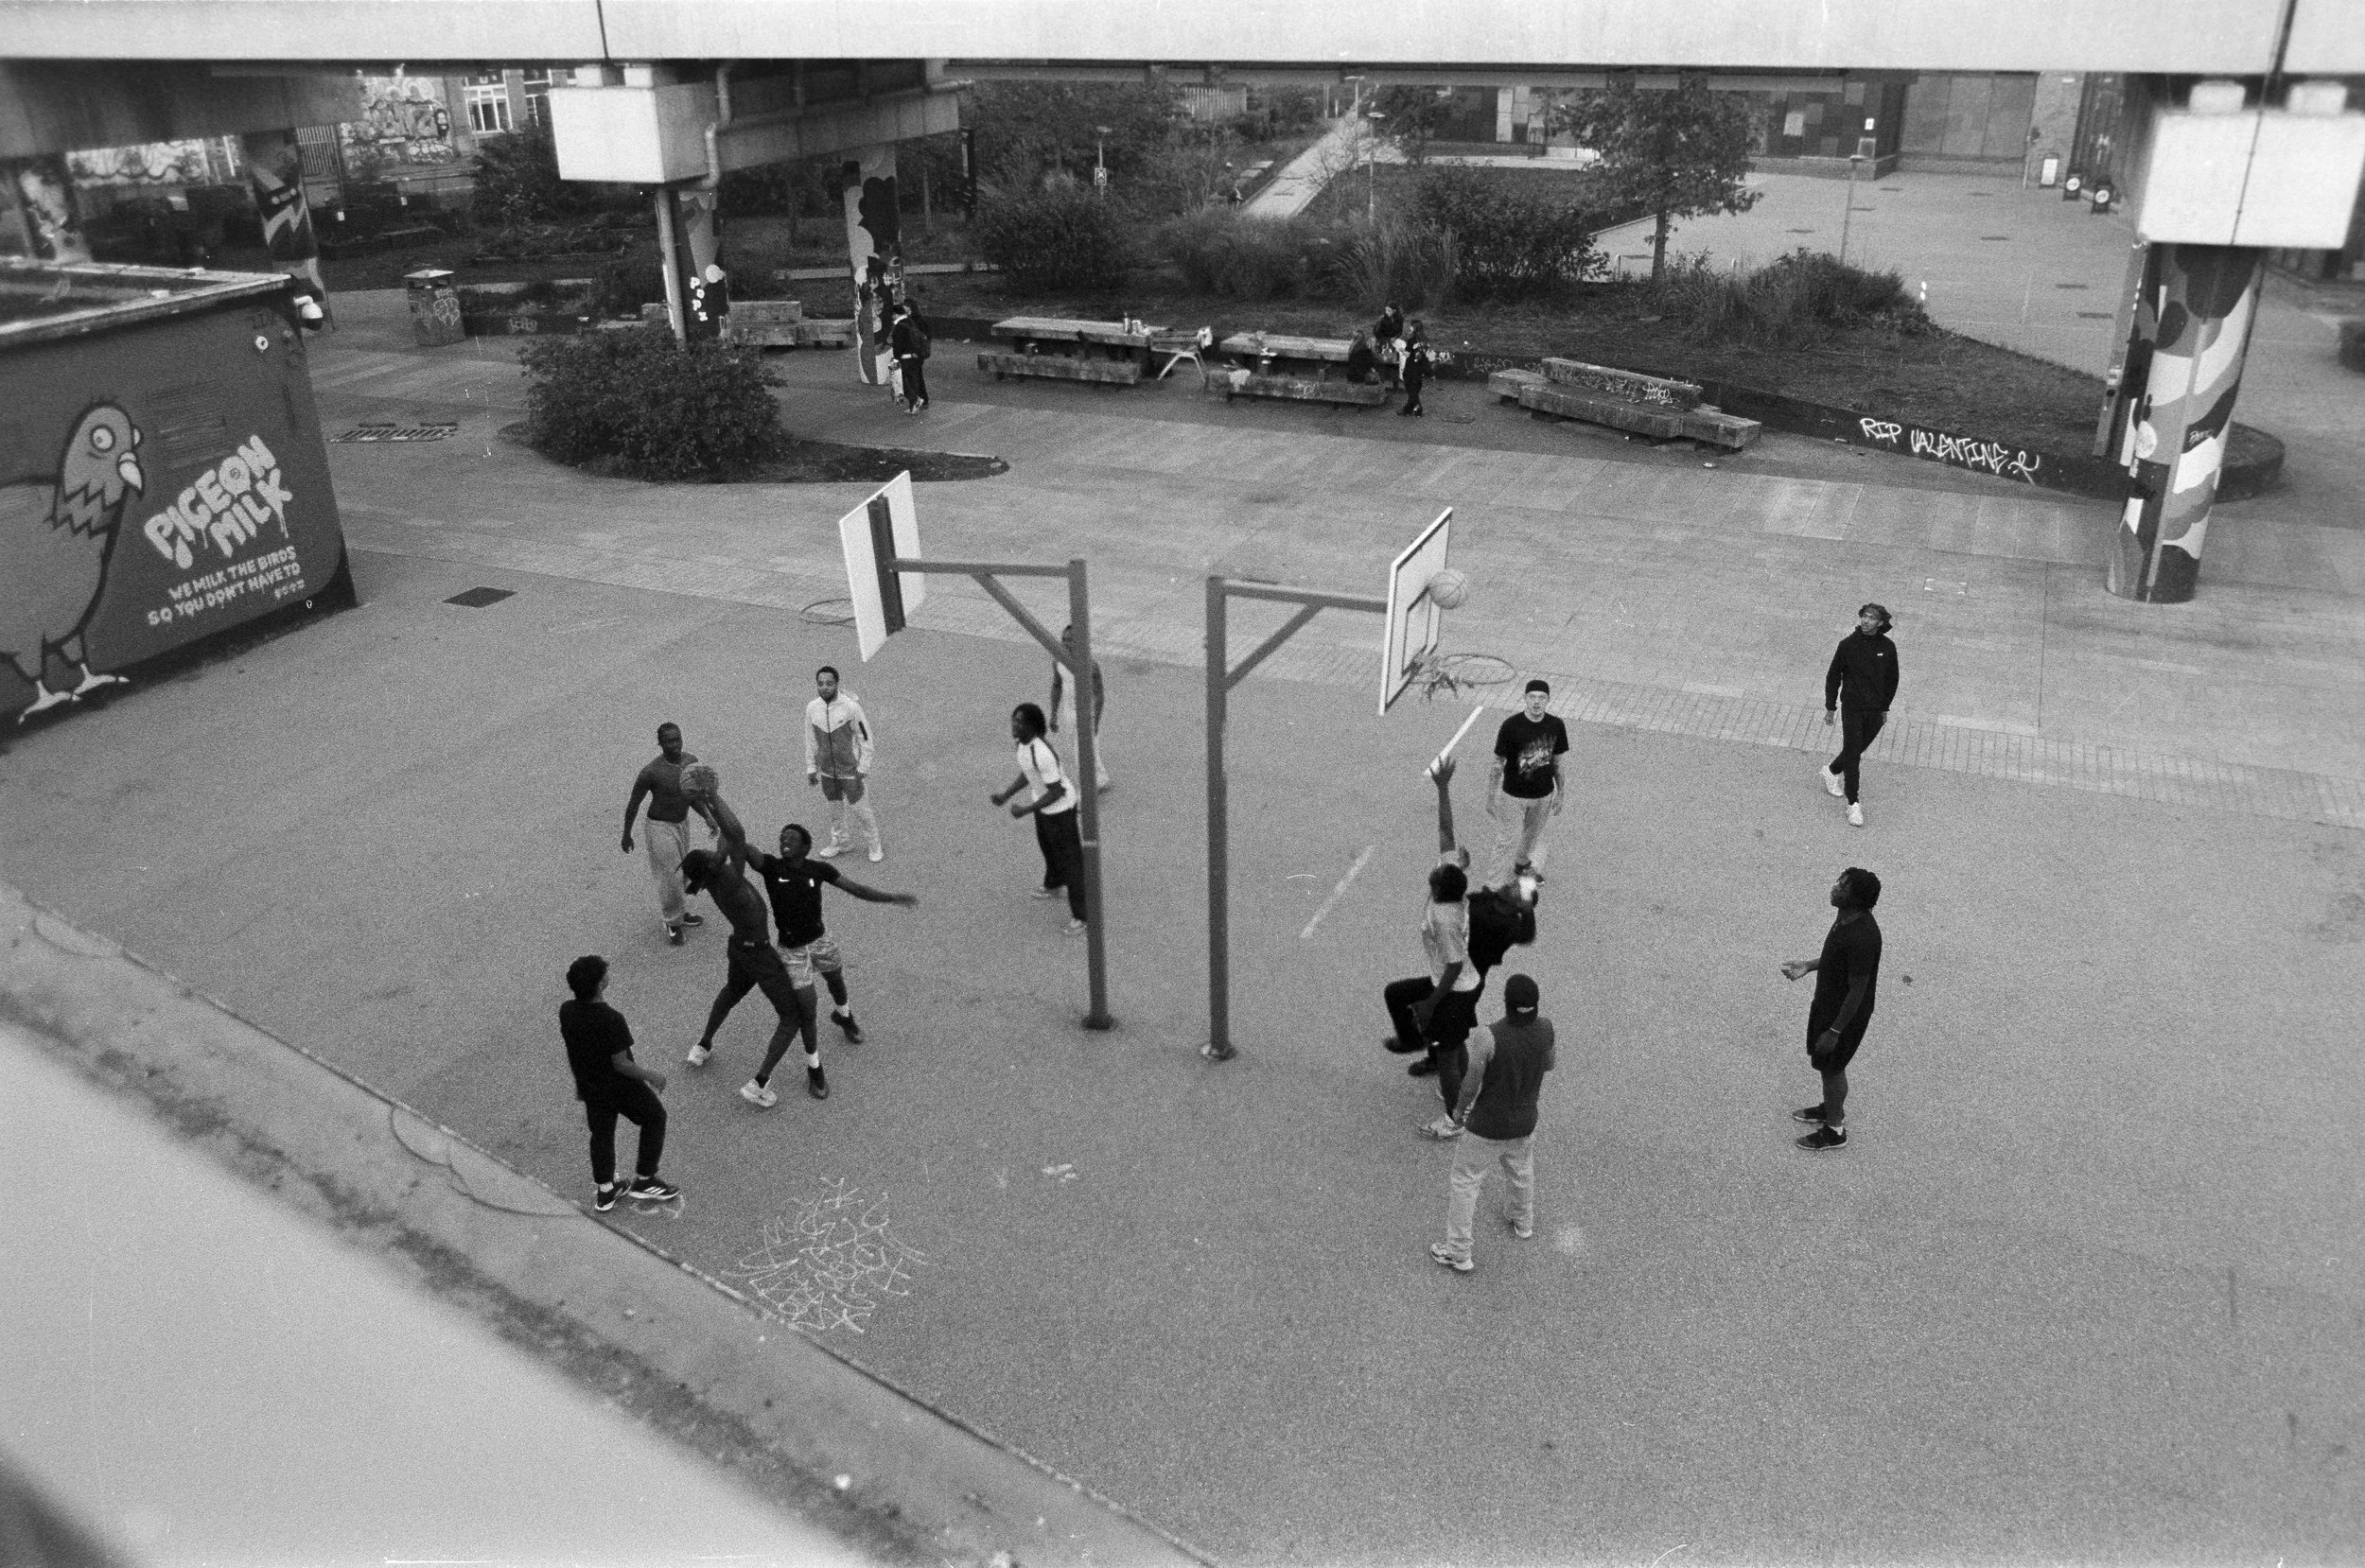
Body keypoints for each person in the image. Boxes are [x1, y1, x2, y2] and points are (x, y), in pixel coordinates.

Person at [1383, 757, 1537, 1113]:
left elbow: (1456, 966)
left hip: (1462, 983)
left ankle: (1458, 1110)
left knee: (1450, 1043)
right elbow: (1446, 834)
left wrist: (1431, 1002)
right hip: (1458, 976)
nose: (1513, 884)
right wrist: (1443, 789)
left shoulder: (1469, 920)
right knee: (1411, 1006)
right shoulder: (1475, 895)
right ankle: (1429, 1051)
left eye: (1518, 889)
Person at [678, 773, 830, 1105]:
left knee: (731, 992)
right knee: (792, 1016)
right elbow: (738, 835)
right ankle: (759, 1084)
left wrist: (706, 804)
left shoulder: (716, 879)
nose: (712, 852)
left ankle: (703, 1045)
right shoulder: (731, 882)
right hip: (759, 954)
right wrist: (713, 797)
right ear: (713, 866)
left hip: (739, 948)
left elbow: (727, 840)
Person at [752, 821, 918, 1054]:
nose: (785, 841)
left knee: (836, 980)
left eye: (792, 838)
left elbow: (856, 889)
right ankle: (814, 1064)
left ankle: (844, 1015)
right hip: (791, 951)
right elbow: (743, 844)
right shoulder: (771, 867)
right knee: (806, 1007)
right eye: (782, 837)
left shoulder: (820, 870)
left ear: (805, 848)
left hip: (820, 941)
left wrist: (891, 898)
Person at [1428, 973, 1554, 1273]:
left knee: (1465, 1181)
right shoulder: (1546, 1029)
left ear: (1507, 1003)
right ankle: (1522, 1221)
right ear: (1535, 1004)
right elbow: (1549, 1064)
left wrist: (1458, 1112)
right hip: (1524, 1121)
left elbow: (1471, 1083)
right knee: (1521, 1170)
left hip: (1486, 1126)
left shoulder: (1488, 1036)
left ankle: (1458, 1252)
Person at [558, 955, 678, 1211]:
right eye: (604, 974)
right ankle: (645, 1180)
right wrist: (651, 1075)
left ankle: (606, 1190)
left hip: (590, 1086)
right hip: (619, 1087)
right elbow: (622, 1064)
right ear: (600, 984)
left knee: (601, 1134)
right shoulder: (611, 1019)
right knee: (655, 1117)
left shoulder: (567, 1010)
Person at [1781, 867, 1884, 1152]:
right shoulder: (1847, 918)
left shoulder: (1862, 936)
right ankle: (1831, 1108)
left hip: (1843, 1016)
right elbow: (1837, 959)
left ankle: (1835, 1130)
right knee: (1828, 1066)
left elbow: (1858, 989)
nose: (1835, 887)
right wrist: (1810, 965)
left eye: (1842, 886)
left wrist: (1835, 1031)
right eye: (1839, 882)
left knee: (1833, 1068)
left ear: (1855, 898)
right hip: (1828, 1004)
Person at [990, 703, 1087, 934]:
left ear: (1032, 726)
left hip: (1061, 811)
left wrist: (1026, 809)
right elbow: (1028, 773)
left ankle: (1082, 917)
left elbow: (1057, 792)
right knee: (1048, 848)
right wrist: (1005, 795)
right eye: (1013, 719)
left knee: (1072, 862)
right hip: (1044, 809)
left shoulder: (1042, 753)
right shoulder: (1022, 746)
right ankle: (1053, 884)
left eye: (1020, 721)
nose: (1014, 724)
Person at [621, 723, 713, 945]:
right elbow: (634, 804)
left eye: (677, 739)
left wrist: (708, 817)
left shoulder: (691, 763)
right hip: (659, 828)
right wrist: (627, 834)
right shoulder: (651, 772)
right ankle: (672, 922)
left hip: (681, 825)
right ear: (660, 743)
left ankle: (679, 912)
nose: (675, 744)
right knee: (670, 877)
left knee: (682, 872)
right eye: (669, 741)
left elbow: (693, 797)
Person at [1820, 603, 1901, 828]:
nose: (1866, 621)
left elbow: (1892, 679)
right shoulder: (1847, 646)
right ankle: (1853, 803)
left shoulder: (1888, 647)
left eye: (1872, 618)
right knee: (1854, 755)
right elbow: (1833, 676)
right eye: (1864, 616)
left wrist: (1885, 707)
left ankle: (1832, 769)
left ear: (1880, 623)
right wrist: (1830, 706)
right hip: (1852, 708)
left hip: (1876, 710)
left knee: (1855, 749)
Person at [1487, 679, 1569, 888]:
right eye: (1532, 696)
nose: (1536, 702)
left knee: (1531, 836)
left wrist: (1560, 794)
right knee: (1506, 841)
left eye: (1541, 697)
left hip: (1543, 795)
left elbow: (1558, 764)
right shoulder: (1511, 726)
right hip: (1513, 795)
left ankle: (1522, 864)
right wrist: (1491, 796)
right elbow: (1498, 764)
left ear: (1548, 700)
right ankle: (1493, 885)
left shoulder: (1556, 726)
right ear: (1524, 699)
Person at [805, 666, 881, 862]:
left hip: (850, 770)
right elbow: (810, 739)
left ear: (837, 684)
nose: (825, 688)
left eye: (829, 684)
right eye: (821, 684)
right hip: (828, 772)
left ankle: (874, 844)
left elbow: (865, 738)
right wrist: (812, 767)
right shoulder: (812, 708)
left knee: (861, 810)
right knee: (835, 811)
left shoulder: (851, 707)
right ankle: (841, 842)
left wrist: (864, 766)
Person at [1048, 624, 1112, 792]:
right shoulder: (1058, 662)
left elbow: (1099, 695)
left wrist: (1095, 721)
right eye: (1064, 639)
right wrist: (1053, 715)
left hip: (1085, 715)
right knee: (1087, 751)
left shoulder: (1091, 665)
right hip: (1068, 714)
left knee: (1081, 756)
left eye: (1071, 640)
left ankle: (1086, 793)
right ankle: (1101, 778)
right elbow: (1057, 686)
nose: (1066, 644)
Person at [888, 299, 930, 413]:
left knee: (901, 381)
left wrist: (896, 359)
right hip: (916, 357)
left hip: (906, 358)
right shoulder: (910, 322)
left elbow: (898, 346)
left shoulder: (899, 327)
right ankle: (916, 403)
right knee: (913, 380)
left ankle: (915, 400)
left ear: (895, 314)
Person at [1397, 322, 1431, 417]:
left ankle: (1418, 410)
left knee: (1411, 390)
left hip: (1411, 367)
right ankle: (1407, 409)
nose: (1410, 328)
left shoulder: (1412, 340)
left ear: (1414, 328)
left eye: (1411, 326)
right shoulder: (1425, 340)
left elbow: (1408, 354)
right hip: (1420, 367)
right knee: (1415, 388)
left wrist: (1401, 350)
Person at [1372, 303, 1406, 385]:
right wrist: (1387, 340)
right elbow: (1377, 333)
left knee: (1403, 347)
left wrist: (1395, 337)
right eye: (1386, 310)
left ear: (1394, 311)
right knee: (1387, 353)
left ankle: (1402, 374)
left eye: (1389, 310)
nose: (1387, 312)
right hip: (1383, 340)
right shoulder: (1382, 319)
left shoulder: (1399, 319)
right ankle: (1382, 379)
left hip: (1393, 339)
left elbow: (1400, 331)